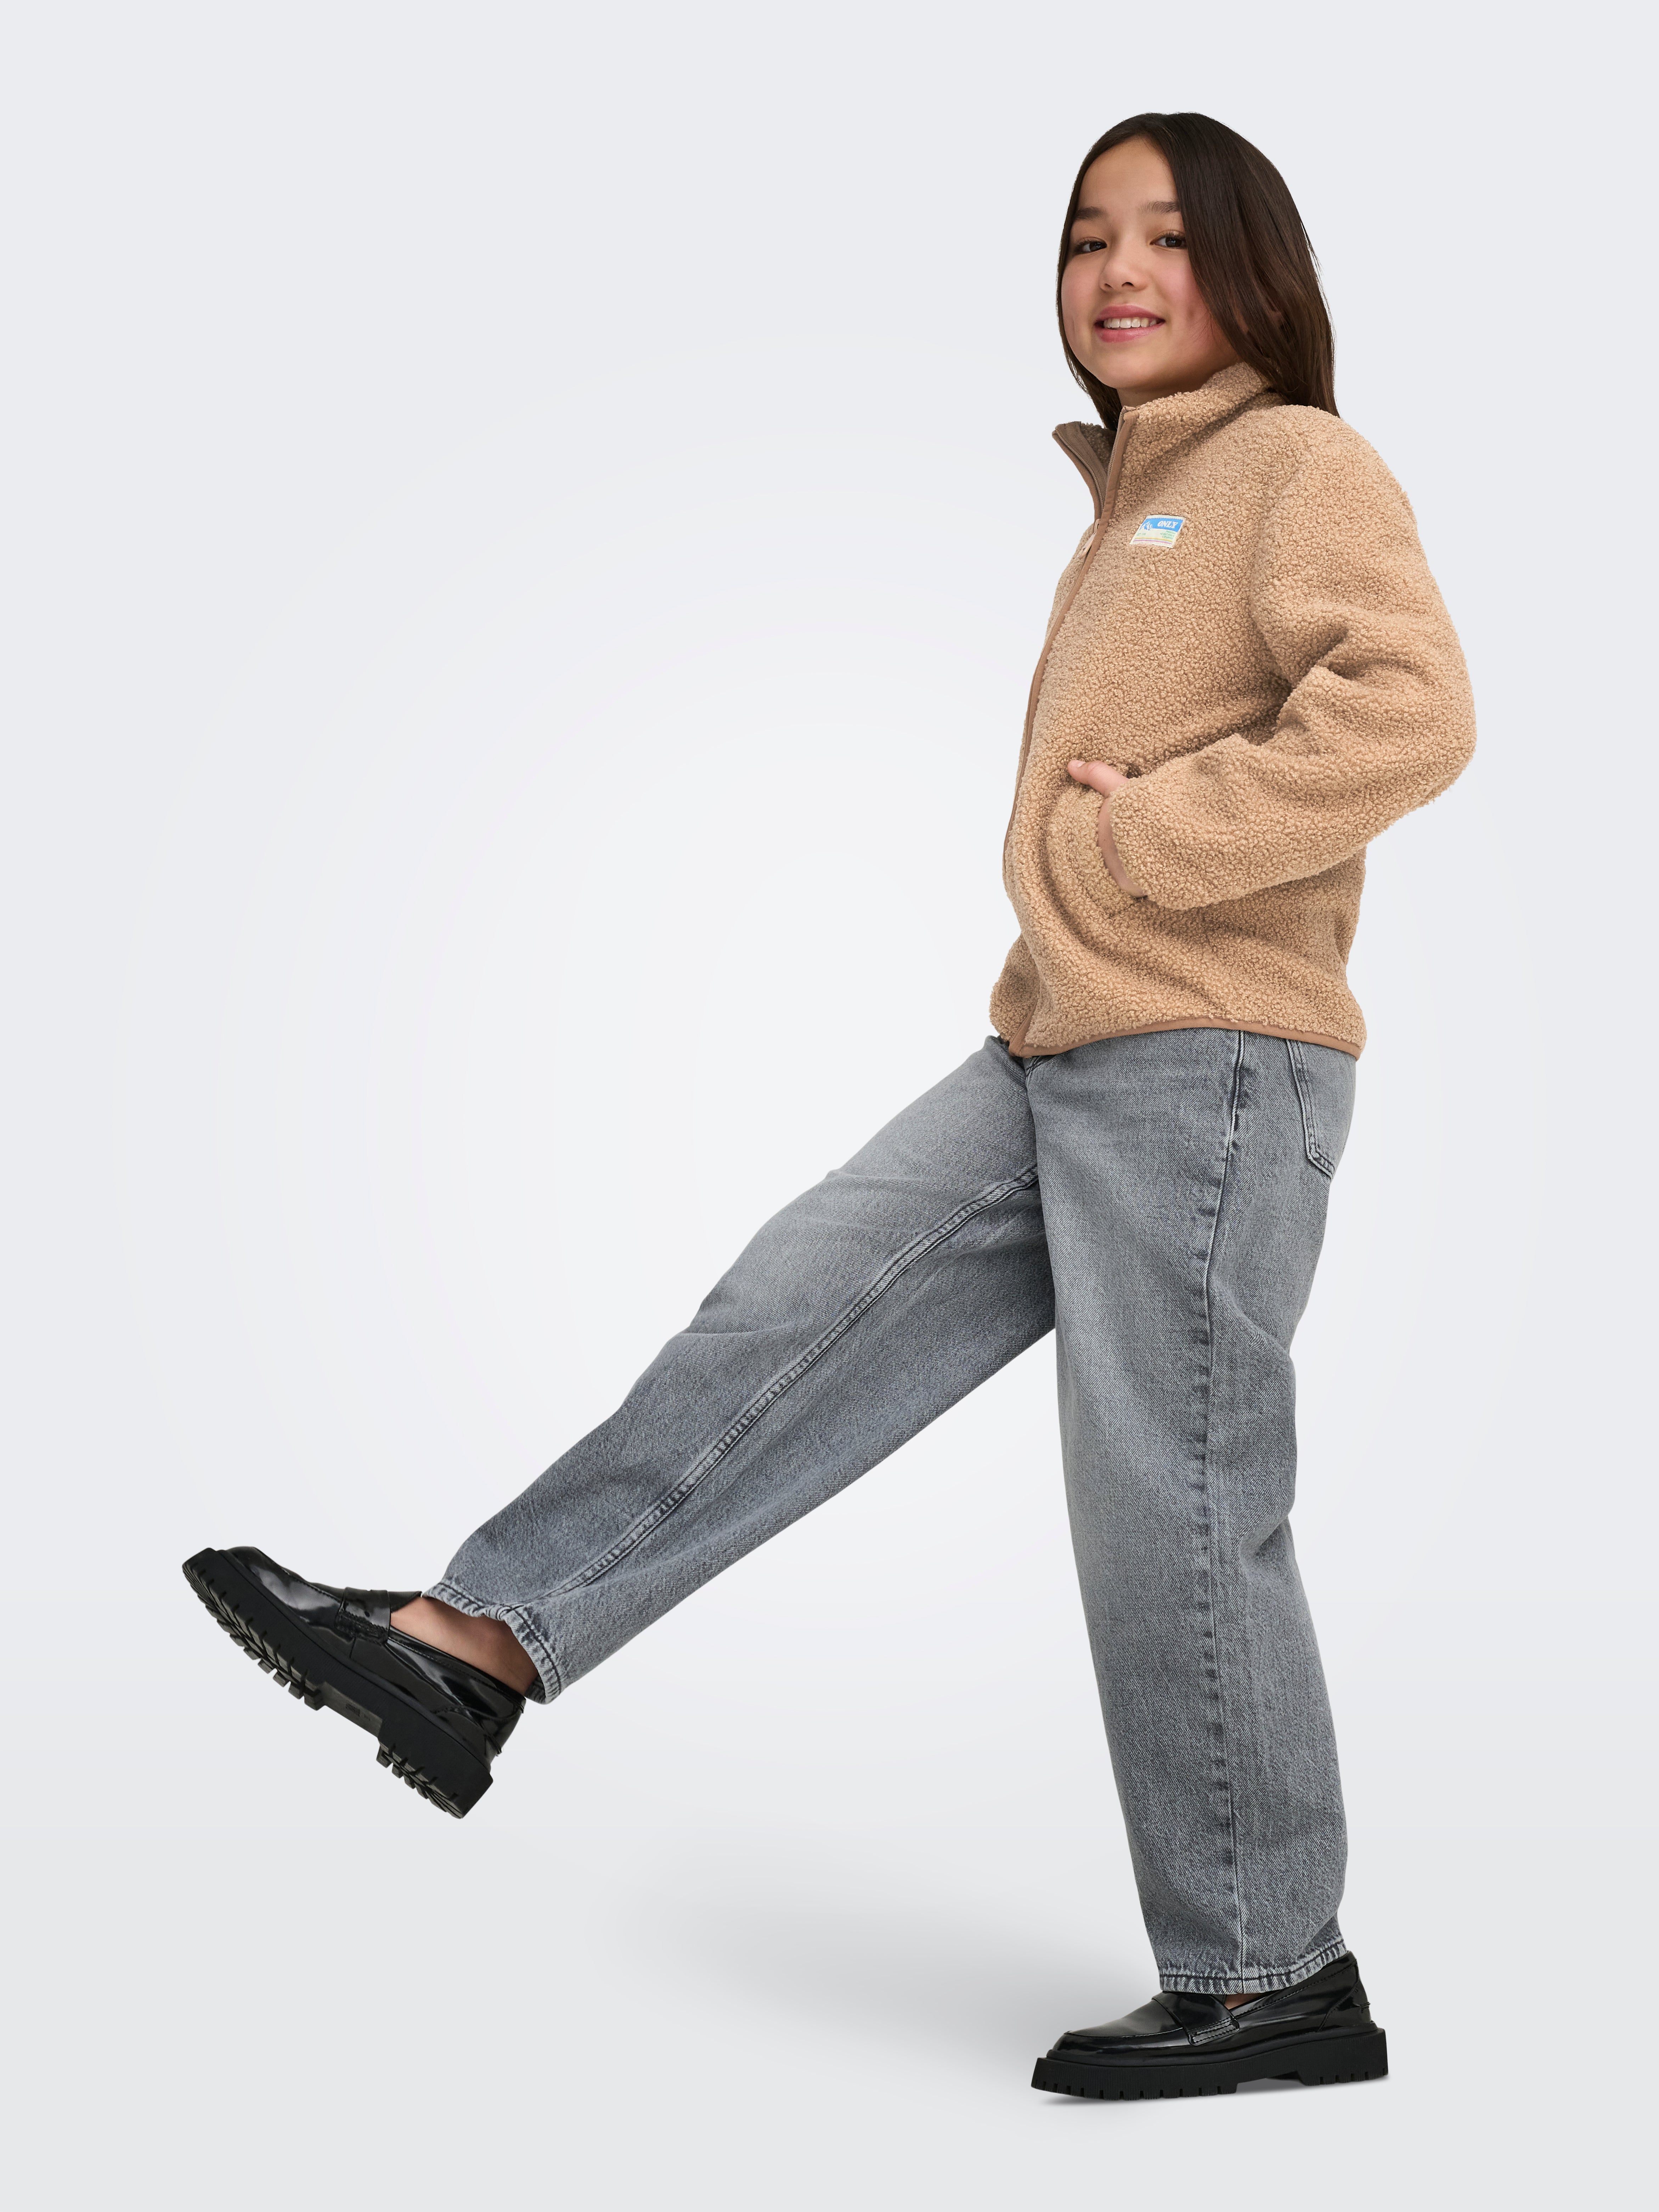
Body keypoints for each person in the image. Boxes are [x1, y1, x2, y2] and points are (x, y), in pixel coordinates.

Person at [185, 111, 1474, 2100]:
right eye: (1086, 238)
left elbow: (1411, 711)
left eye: (1166, 236)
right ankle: (476, 1646)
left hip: (1211, 1057)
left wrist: (1146, 841)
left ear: (1254, 270)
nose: (1119, 271)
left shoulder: (1296, 464)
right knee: (793, 1304)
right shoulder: (1137, 497)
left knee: (1174, 1502)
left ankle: (1270, 1974)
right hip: (1062, 1043)